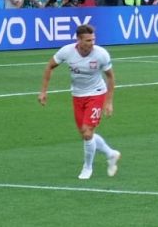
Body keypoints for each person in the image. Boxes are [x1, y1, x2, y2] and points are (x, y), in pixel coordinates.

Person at [38, 24, 121, 180]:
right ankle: (111, 154)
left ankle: (87, 167)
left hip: (96, 93)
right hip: (77, 95)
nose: (92, 43)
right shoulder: (67, 51)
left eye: (93, 39)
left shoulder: (101, 54)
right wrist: (43, 91)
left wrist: (109, 102)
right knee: (85, 134)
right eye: (88, 40)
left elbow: (110, 77)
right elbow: (49, 66)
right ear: (79, 40)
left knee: (87, 131)